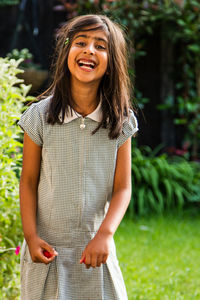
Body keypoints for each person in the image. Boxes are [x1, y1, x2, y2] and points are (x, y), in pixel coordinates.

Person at [18, 14, 138, 300]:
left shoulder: (121, 121)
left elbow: (123, 187)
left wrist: (105, 236)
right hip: (47, 251)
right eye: (81, 42)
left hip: (94, 251)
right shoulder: (39, 116)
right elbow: (29, 180)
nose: (89, 50)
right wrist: (31, 238)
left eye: (100, 45)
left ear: (113, 62)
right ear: (66, 53)